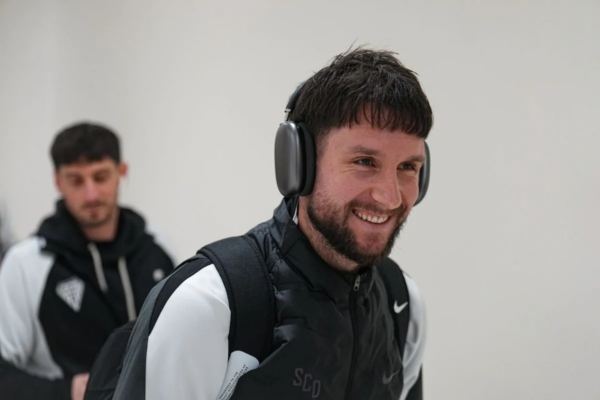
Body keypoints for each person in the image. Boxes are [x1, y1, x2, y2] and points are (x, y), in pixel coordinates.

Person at [112, 47, 432, 400]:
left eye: (408, 167)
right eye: (364, 161)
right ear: (299, 164)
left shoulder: (402, 303)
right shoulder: (207, 306)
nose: (390, 197)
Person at [0, 122, 176, 400]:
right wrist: (68, 391)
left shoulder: (157, 247)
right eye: (76, 181)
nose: (91, 194)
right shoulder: (26, 264)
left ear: (122, 172)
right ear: (58, 181)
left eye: (101, 177)